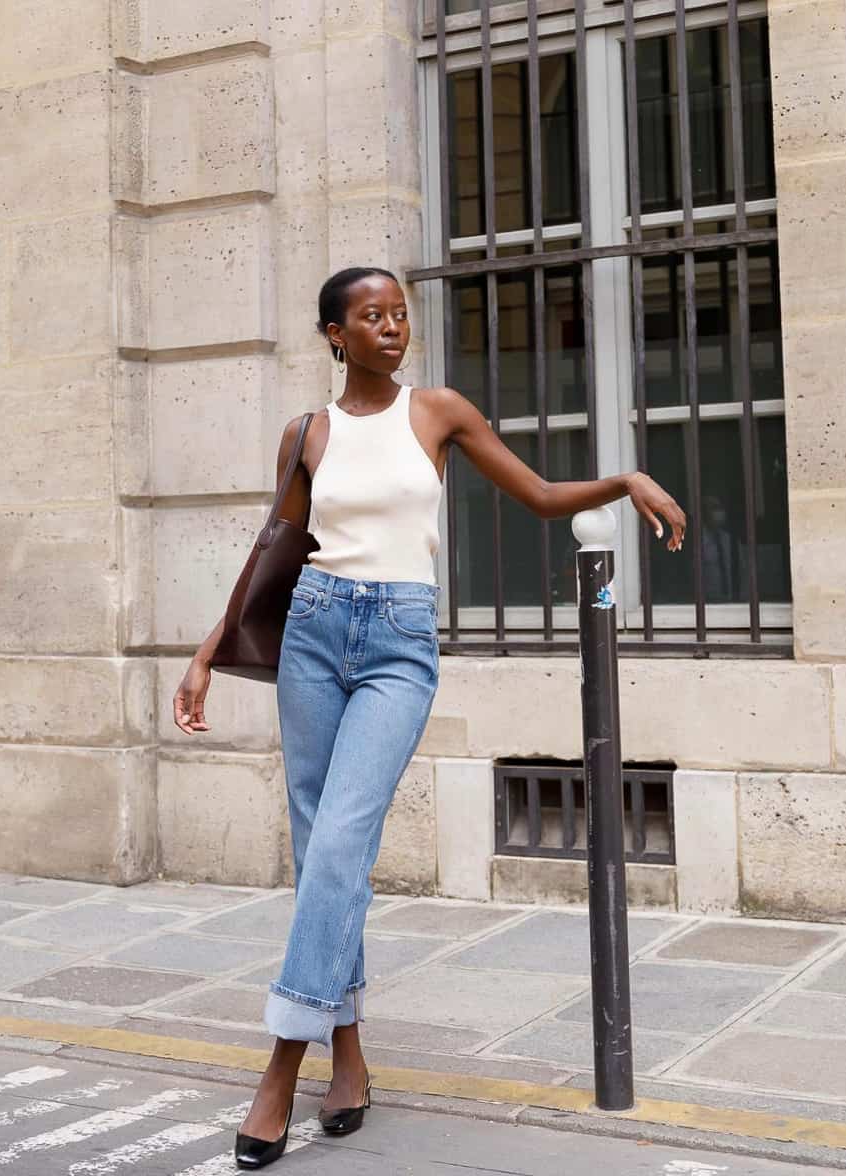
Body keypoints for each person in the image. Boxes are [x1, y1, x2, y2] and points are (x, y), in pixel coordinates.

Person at [172, 266, 686, 1169]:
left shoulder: (438, 411)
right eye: (371, 317)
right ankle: (352, 1060)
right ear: (334, 333)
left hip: (399, 641)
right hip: (311, 634)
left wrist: (625, 478)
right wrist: (210, 649)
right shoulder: (309, 433)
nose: (391, 328)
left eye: (400, 314)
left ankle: (281, 1067)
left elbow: (538, 496)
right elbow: (274, 553)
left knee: (339, 845)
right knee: (320, 854)